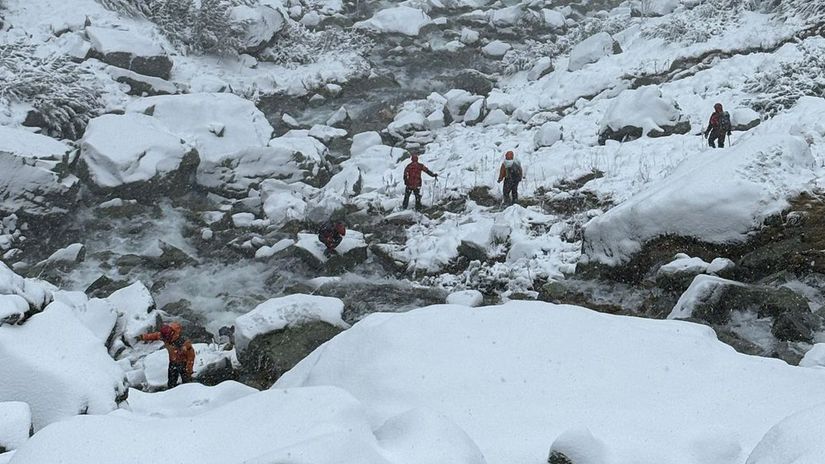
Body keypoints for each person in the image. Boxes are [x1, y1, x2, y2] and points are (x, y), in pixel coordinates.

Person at [140, 322, 195, 389]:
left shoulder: (184, 342)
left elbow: (191, 356)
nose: (164, 339)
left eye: (166, 338)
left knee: (187, 383)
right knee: (171, 383)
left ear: (171, 334)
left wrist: (189, 369)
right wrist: (143, 337)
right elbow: (155, 336)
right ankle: (171, 394)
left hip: (183, 363)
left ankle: (189, 394)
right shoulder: (164, 336)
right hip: (172, 362)